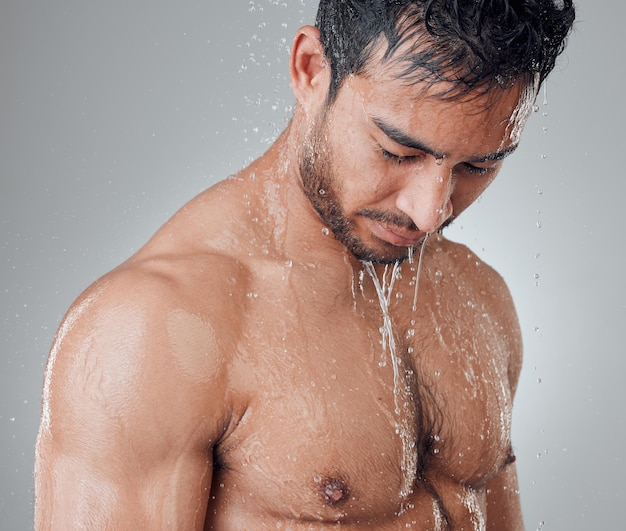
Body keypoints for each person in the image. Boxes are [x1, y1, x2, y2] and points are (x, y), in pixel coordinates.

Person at [34, 1, 575, 529]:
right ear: (311, 68)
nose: (430, 211)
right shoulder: (154, 327)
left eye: (479, 164)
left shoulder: (476, 292)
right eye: (397, 152)